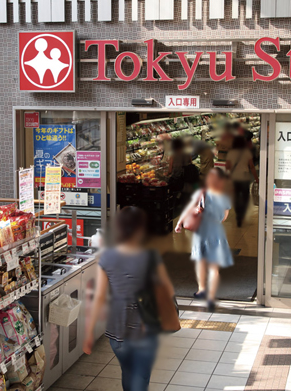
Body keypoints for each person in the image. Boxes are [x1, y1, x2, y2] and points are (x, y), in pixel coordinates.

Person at [84, 207, 175, 391]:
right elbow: (168, 289)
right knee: (140, 379)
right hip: (144, 328)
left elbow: (99, 297)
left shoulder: (107, 257)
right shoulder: (150, 256)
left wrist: (89, 332)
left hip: (117, 331)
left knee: (128, 373)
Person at [175, 168, 233, 311]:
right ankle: (211, 297)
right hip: (216, 232)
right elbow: (225, 217)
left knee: (201, 262)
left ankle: (201, 290)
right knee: (214, 268)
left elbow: (189, 209)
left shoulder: (202, 193)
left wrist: (179, 223)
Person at [226, 135, 259, 227]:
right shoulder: (247, 152)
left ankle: (238, 215)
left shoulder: (231, 153)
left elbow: (227, 166)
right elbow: (252, 166)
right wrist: (256, 178)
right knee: (245, 197)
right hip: (244, 177)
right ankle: (243, 212)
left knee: (236, 196)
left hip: (235, 177)